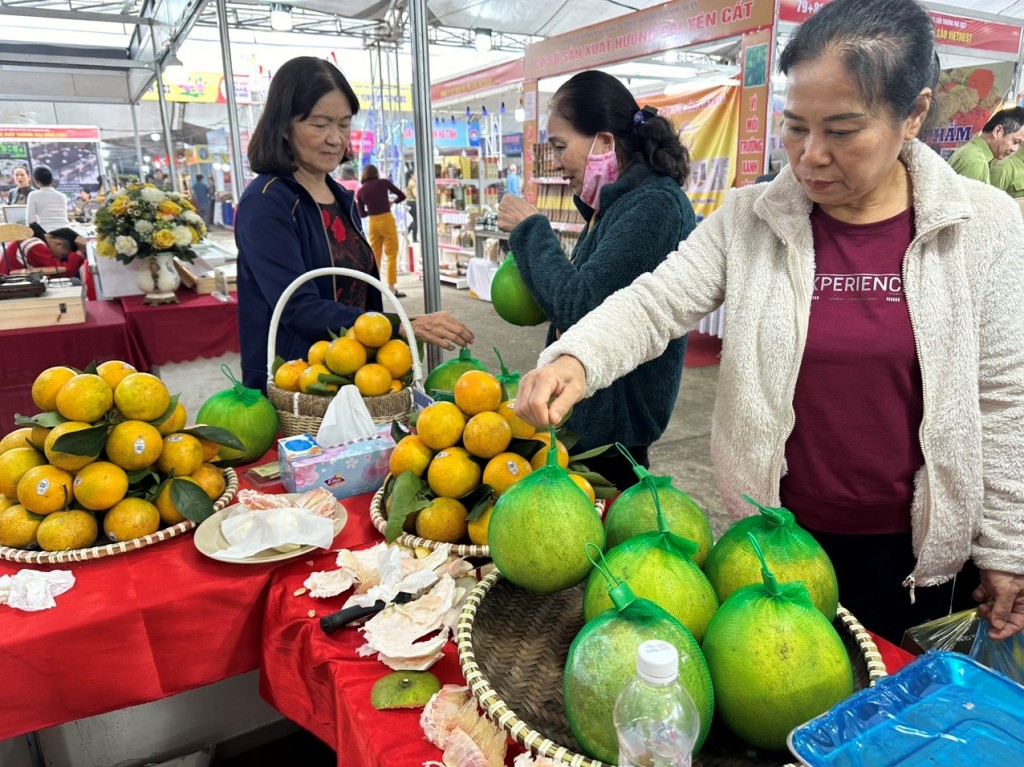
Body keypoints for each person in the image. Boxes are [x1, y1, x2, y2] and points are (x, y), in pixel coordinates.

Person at [515, 0, 1024, 644]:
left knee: (891, 699)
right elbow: (655, 301)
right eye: (795, 127)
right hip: (772, 540)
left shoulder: (983, 227)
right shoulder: (751, 218)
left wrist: (1007, 546)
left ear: (915, 114)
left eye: (842, 130)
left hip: (918, 557)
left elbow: (1003, 396)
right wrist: (576, 357)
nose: (810, 156)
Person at [497, 71, 696, 490]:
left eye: (560, 146)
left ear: (604, 141)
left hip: (613, 434)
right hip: (586, 417)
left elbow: (582, 309)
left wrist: (531, 231)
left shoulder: (655, 207)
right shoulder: (614, 207)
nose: (556, 162)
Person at [235, 56, 474, 392]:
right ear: (283, 125)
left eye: (344, 124)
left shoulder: (341, 197)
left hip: (355, 375)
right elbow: (296, 307)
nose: (336, 138)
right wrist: (398, 325)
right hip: (298, 384)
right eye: (320, 124)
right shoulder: (266, 203)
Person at [355, 164, 407, 297]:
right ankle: (391, 288)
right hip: (386, 220)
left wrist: (372, 210)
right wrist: (392, 202)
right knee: (391, 254)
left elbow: (362, 214)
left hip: (373, 223)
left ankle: (374, 288)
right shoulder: (383, 183)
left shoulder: (360, 191)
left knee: (375, 256)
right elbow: (402, 195)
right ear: (375, 173)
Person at [947, 106, 1024, 184]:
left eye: (1019, 144)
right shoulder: (977, 163)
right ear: (997, 131)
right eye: (1015, 142)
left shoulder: (971, 151)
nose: (1014, 149)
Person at [1, 223, 85, 278]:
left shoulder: (32, 240)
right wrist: (81, 252)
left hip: (13, 282)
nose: (58, 258)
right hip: (12, 286)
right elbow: (62, 271)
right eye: (62, 255)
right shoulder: (34, 244)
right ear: (58, 243)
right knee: (75, 282)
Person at [25, 166, 70, 232]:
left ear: (36, 181)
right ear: (51, 179)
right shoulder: (62, 196)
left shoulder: (33, 195)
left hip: (46, 232)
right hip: (66, 232)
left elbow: (30, 220)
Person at [405, 170, 418, 243]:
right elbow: (415, 194)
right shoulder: (412, 183)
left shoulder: (408, 182)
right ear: (411, 175)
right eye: (414, 174)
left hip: (409, 202)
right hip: (413, 203)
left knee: (414, 220)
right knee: (415, 220)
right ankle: (414, 238)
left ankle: (406, 232)